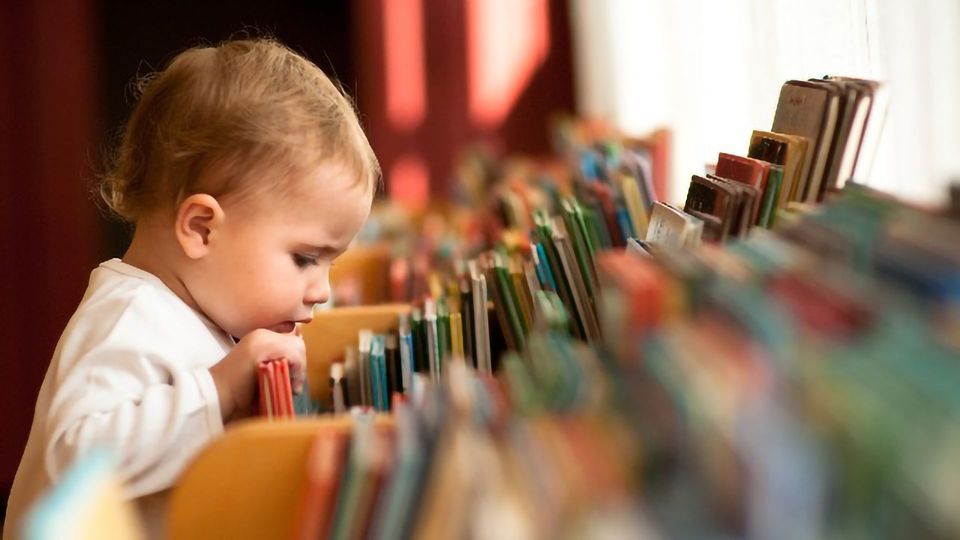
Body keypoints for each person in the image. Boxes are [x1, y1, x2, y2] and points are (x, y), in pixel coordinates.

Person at [4, 37, 379, 539]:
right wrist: (220, 388)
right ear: (202, 228)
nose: (322, 291)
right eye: (305, 259)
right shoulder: (128, 319)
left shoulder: (206, 315)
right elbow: (75, 458)